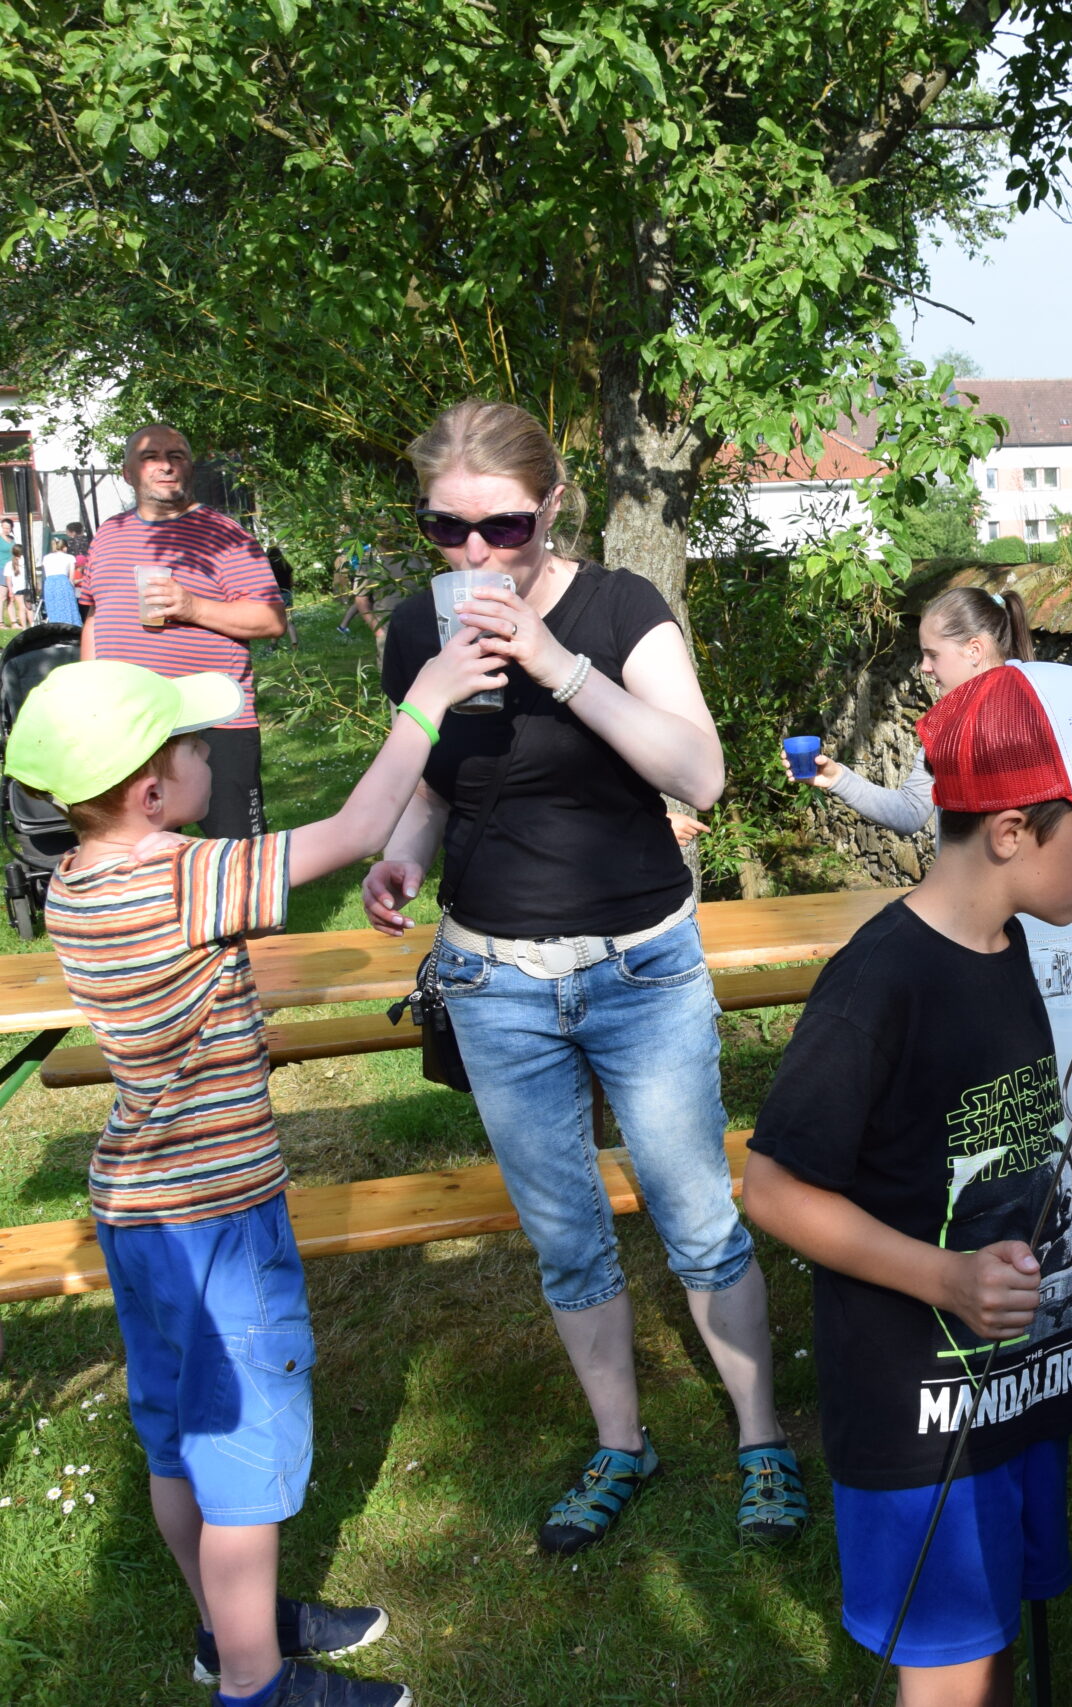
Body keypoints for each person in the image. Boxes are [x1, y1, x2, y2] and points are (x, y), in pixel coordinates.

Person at [1, 634, 500, 1707]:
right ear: (150, 791)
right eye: (191, 746)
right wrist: (426, 699)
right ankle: (255, 1684)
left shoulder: (72, 889)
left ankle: (226, 1628)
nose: (209, 755)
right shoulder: (187, 876)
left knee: (178, 1438)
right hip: (218, 1217)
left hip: (137, 1212)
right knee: (238, 1461)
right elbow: (358, 827)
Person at [360, 399, 800, 1554]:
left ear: (553, 504)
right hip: (492, 978)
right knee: (564, 1232)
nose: (475, 553)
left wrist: (556, 666)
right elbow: (436, 786)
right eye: (445, 529)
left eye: (503, 527)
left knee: (696, 1215)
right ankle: (621, 1443)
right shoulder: (416, 629)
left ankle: (761, 1438)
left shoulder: (620, 609)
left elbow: (700, 774)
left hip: (637, 967)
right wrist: (403, 857)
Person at [742, 660, 1072, 1706]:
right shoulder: (880, 983)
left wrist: (1068, 1241)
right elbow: (771, 1189)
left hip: (1017, 1389)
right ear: (1011, 830)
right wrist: (944, 1278)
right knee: (952, 1670)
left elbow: (996, 1144)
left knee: (995, 1644)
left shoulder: (1006, 943)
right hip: (924, 1417)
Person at [77, 424, 291, 839]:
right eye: (150, 457)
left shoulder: (225, 535)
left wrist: (192, 606)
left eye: (176, 456)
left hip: (212, 721)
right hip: (130, 720)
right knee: (134, 846)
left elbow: (271, 619)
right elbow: (96, 618)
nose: (165, 466)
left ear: (190, 467)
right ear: (127, 473)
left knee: (235, 849)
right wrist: (90, 693)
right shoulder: (108, 534)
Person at [798, 585, 1034, 833]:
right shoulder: (947, 722)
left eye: (933, 655)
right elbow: (911, 811)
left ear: (974, 650)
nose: (924, 667)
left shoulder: (1033, 713)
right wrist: (836, 777)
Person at [41, 526, 83, 627]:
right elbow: (71, 577)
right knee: (68, 606)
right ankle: (71, 625)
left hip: (50, 583)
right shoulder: (70, 557)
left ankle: (55, 625)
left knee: (53, 606)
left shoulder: (46, 558)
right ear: (65, 547)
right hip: (63, 582)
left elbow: (46, 573)